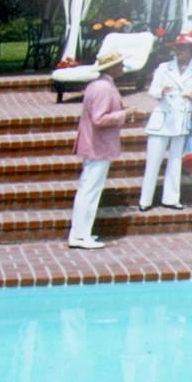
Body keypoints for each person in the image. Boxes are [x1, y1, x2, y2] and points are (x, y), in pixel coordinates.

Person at [68, 49, 134, 250]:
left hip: (94, 145)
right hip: (98, 146)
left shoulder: (96, 85)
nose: (122, 68)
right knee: (90, 191)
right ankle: (80, 235)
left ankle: (80, 233)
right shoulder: (104, 88)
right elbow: (99, 118)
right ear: (112, 68)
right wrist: (124, 114)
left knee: (88, 190)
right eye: (120, 65)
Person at [139, 30, 192, 212]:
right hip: (162, 117)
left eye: (184, 48)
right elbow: (152, 91)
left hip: (182, 118)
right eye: (178, 48)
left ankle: (171, 198)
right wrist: (162, 91)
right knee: (153, 160)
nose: (180, 52)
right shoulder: (164, 67)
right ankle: (145, 200)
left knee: (175, 161)